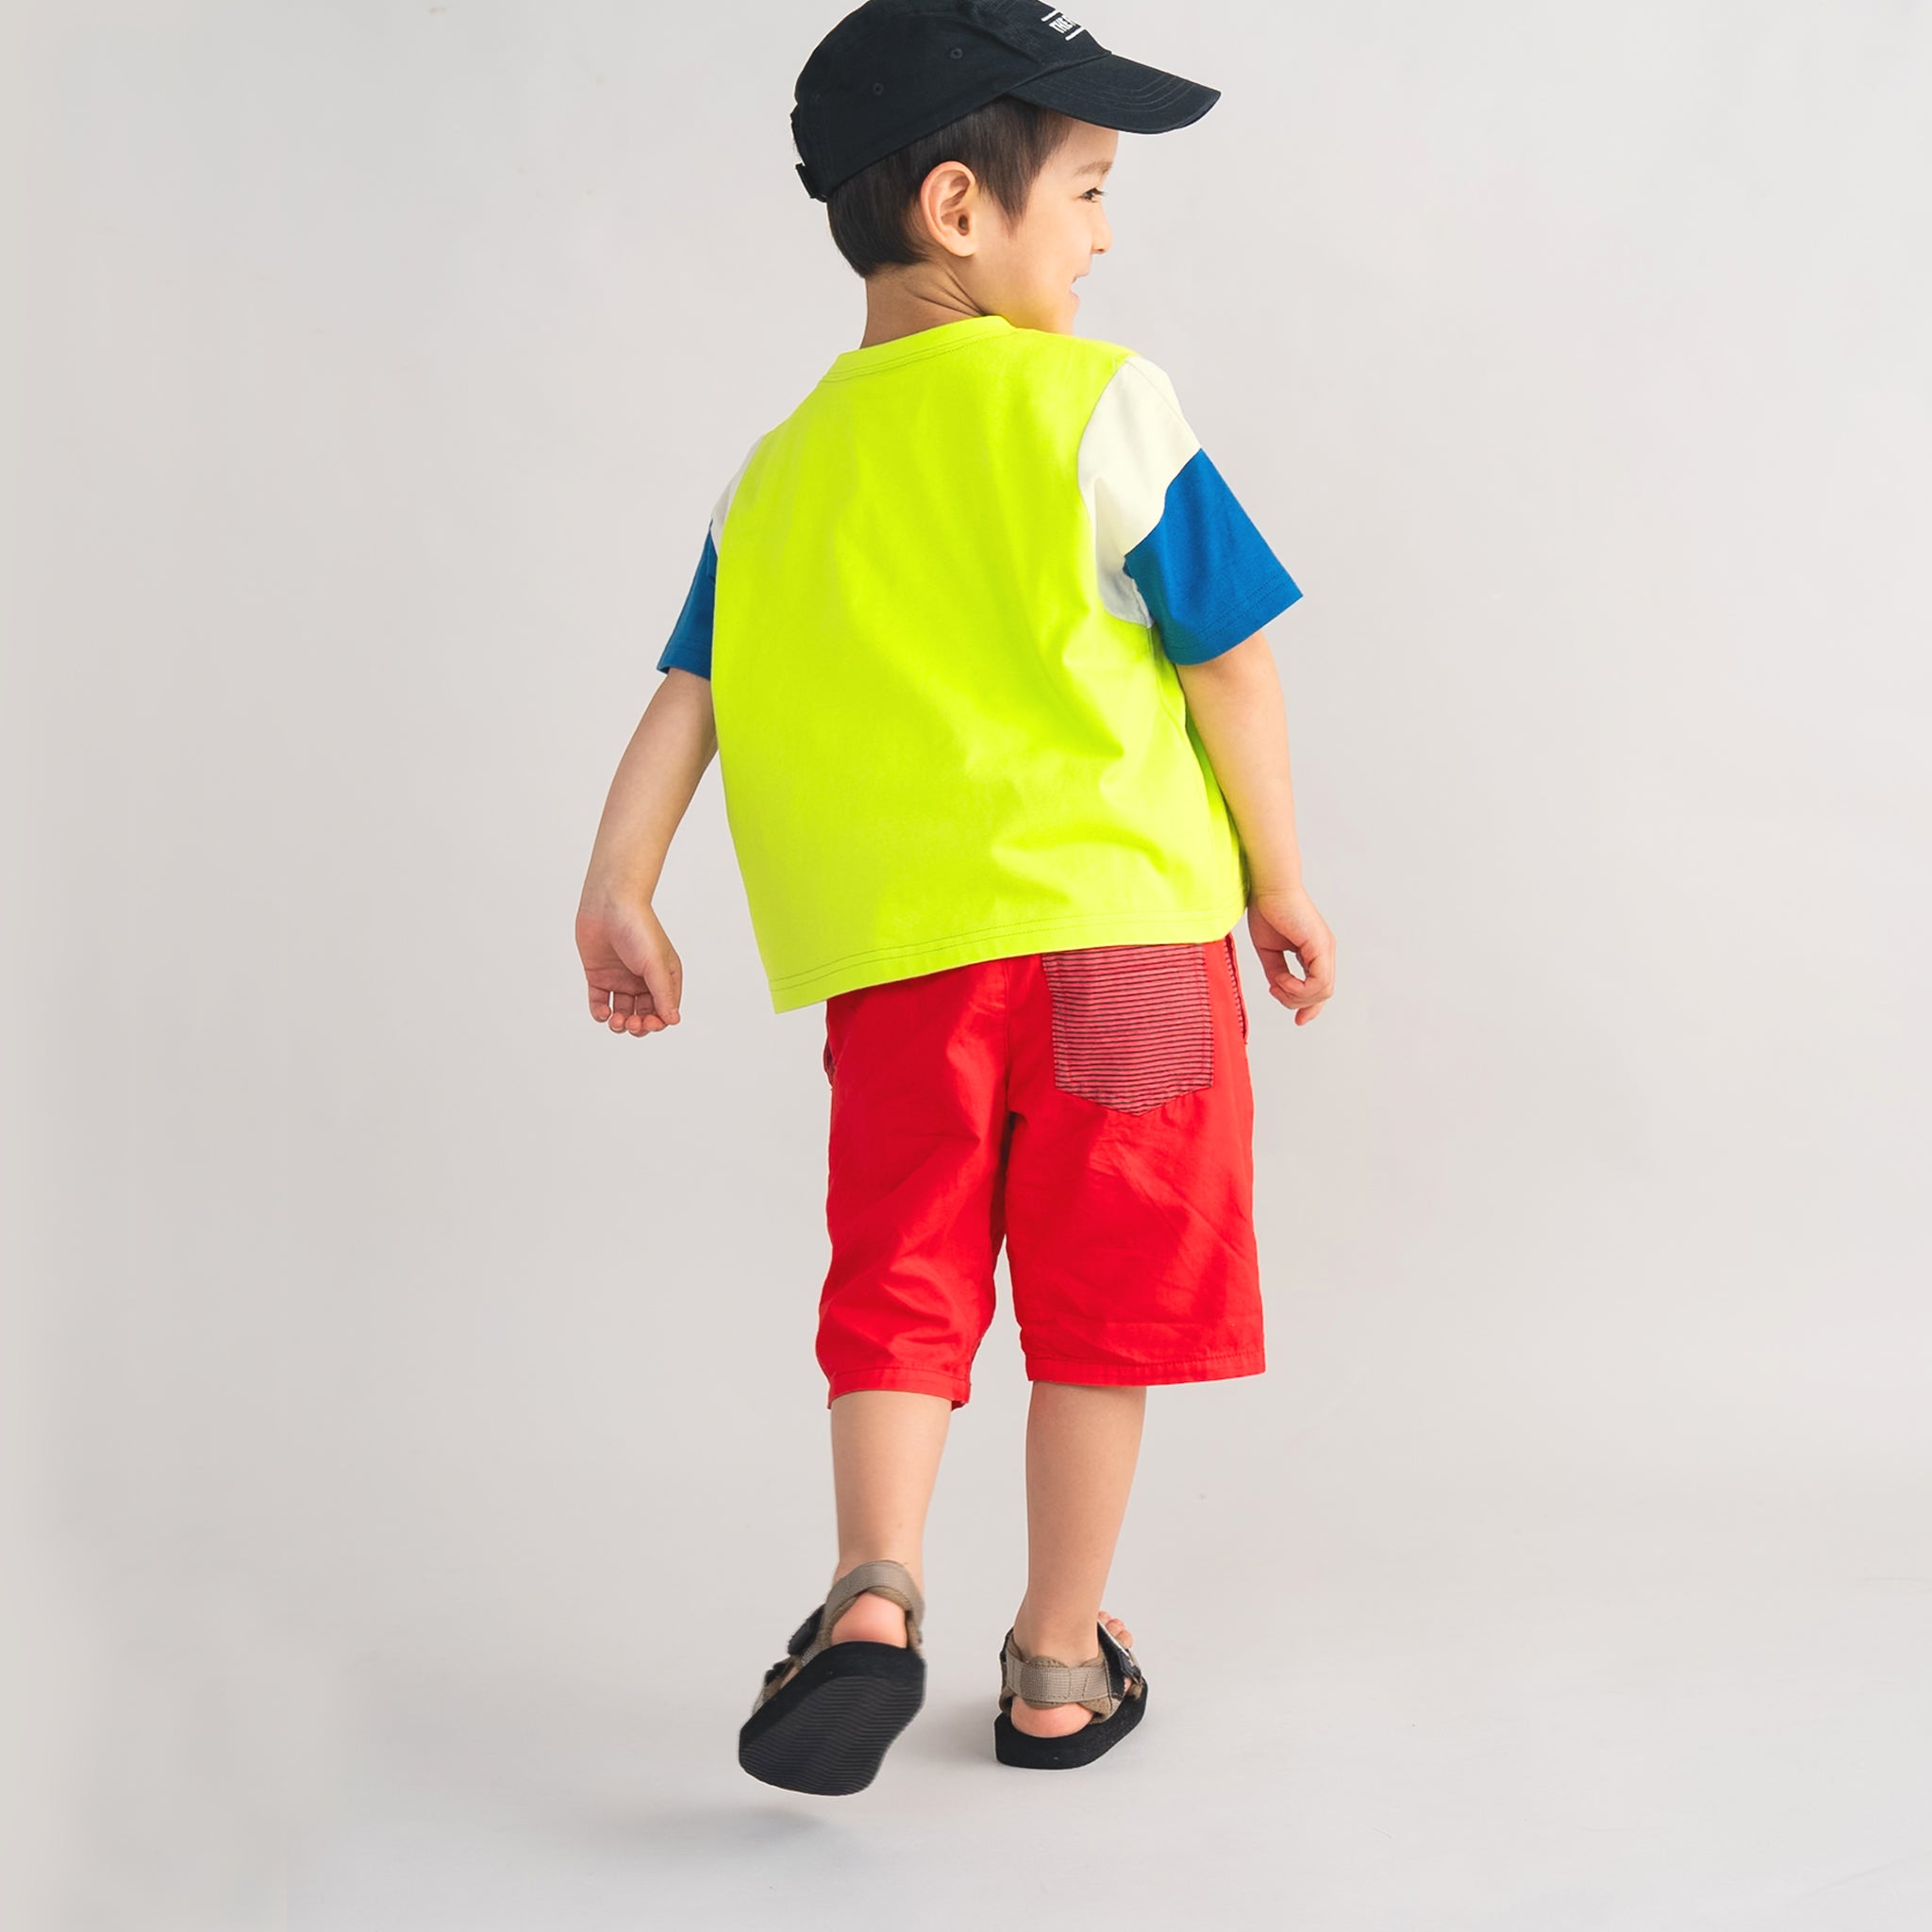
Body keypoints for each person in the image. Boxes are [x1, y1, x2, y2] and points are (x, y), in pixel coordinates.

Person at [575, 0, 1336, 1794]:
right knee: (1101, 1298)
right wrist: (1281, 878)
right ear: (957, 209)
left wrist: (620, 883)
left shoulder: (781, 466)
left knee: (902, 1279)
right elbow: (1229, 656)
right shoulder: (1102, 401)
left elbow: (692, 694)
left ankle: (870, 1591)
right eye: (1087, 188)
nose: (1105, 234)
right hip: (1125, 943)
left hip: (904, 965)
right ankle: (1060, 1661)